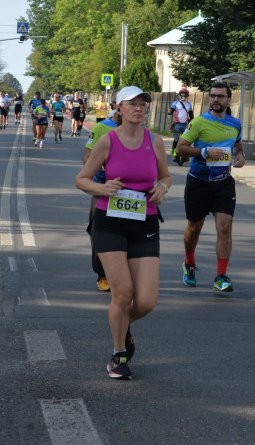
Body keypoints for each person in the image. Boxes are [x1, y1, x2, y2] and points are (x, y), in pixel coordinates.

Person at [75, 86, 171, 380]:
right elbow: (82, 180)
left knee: (145, 301)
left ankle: (121, 325)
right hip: (110, 221)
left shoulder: (155, 141)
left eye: (143, 103)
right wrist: (102, 188)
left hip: (145, 221)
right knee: (123, 292)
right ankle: (118, 355)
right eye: (133, 103)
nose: (139, 108)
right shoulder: (107, 141)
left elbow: (165, 175)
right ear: (118, 108)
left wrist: (162, 188)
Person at [176, 82, 245, 292]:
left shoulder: (235, 123)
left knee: (225, 227)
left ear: (228, 100)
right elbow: (180, 149)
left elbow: (237, 144)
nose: (216, 100)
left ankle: (221, 276)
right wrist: (204, 153)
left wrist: (239, 155)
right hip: (198, 181)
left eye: (220, 96)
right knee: (194, 228)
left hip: (223, 183)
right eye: (213, 96)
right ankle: (189, 263)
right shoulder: (198, 123)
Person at [83, 92, 122, 291]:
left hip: (132, 193)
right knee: (98, 231)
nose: (135, 108)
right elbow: (87, 159)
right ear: (115, 105)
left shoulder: (142, 132)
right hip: (103, 189)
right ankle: (103, 274)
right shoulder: (101, 128)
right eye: (129, 103)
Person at [167, 87, 194, 166]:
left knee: (187, 141)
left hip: (186, 125)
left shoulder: (189, 104)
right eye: (182, 93)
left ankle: (186, 156)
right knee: (176, 141)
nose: (183, 95)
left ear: (187, 95)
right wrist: (169, 111)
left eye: (185, 94)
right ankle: (175, 155)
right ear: (180, 94)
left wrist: (192, 123)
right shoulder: (175, 103)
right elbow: (170, 112)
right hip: (177, 125)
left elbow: (191, 116)